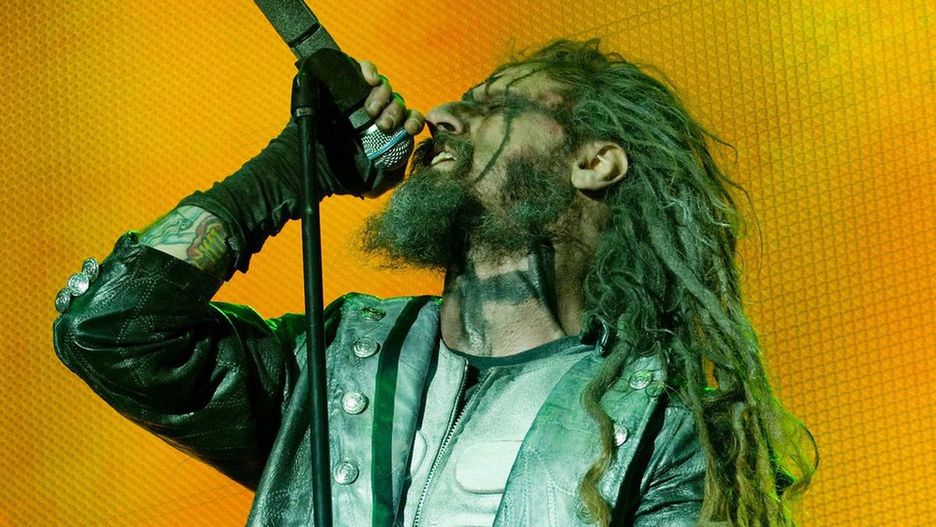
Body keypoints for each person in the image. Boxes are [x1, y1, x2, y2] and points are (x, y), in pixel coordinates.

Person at [52, 39, 817, 526]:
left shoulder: (666, 428)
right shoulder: (336, 362)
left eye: (494, 105)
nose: (442, 114)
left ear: (595, 162)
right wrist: (288, 173)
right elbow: (112, 328)